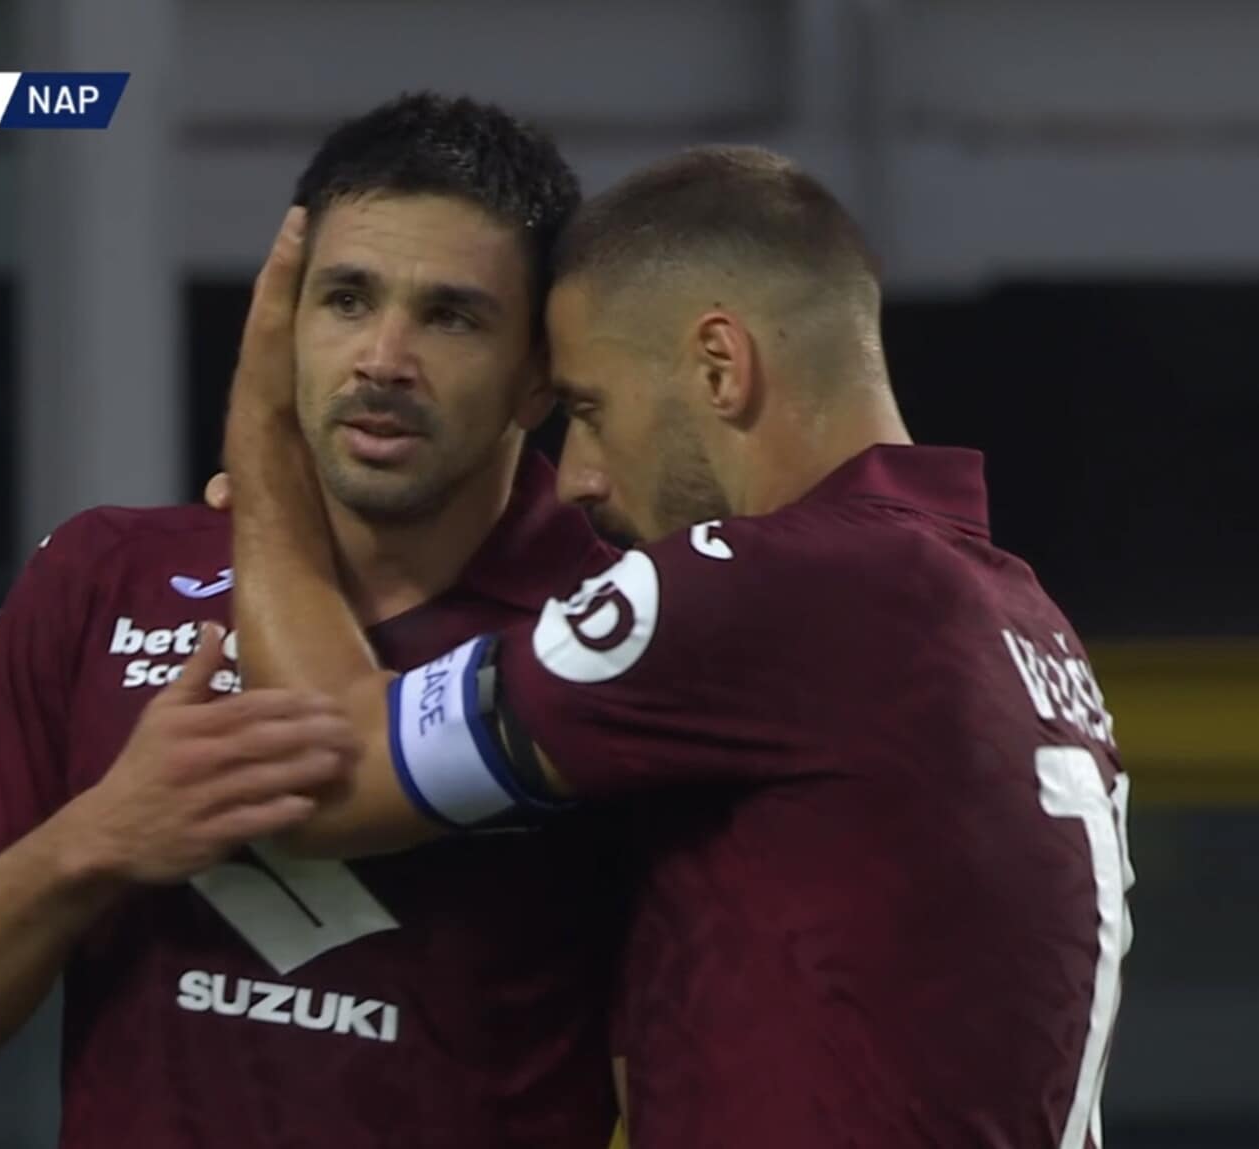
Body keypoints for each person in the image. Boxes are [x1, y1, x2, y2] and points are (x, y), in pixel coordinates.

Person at [222, 146, 1136, 1146]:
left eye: (587, 409)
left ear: (718, 365)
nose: (577, 476)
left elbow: (329, 769)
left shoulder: (768, 587)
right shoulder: (1019, 615)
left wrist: (264, 439)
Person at [0, 93, 634, 1147]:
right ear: (281, 323)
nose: (383, 358)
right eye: (346, 299)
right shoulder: (106, 575)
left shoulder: (617, 629)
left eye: (450, 317)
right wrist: (95, 839)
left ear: (535, 379)